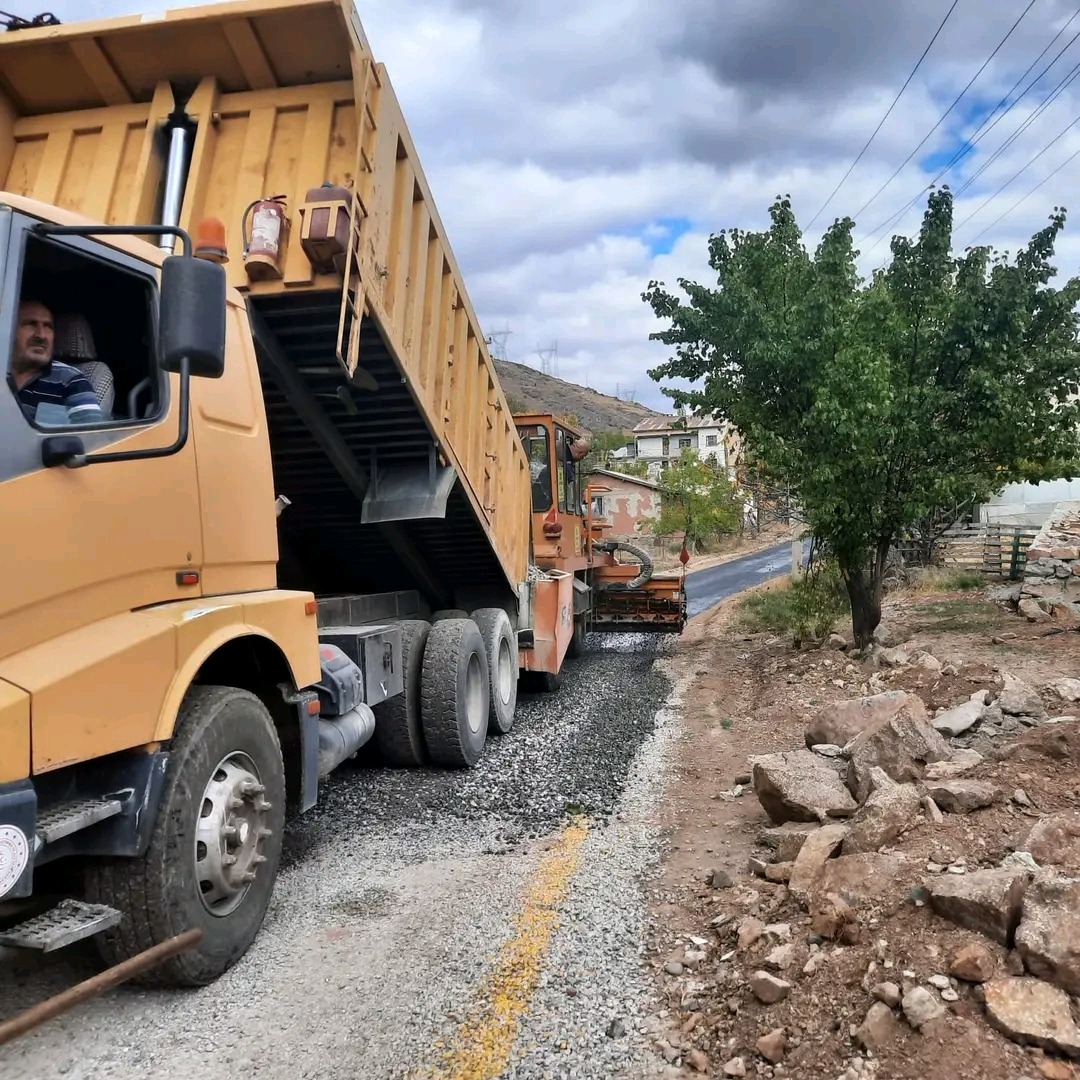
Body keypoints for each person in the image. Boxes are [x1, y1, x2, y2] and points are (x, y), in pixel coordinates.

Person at [7, 299, 104, 426]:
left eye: (48, 326)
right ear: (9, 329)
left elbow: (92, 439)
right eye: (31, 324)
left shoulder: (71, 381)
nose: (41, 335)